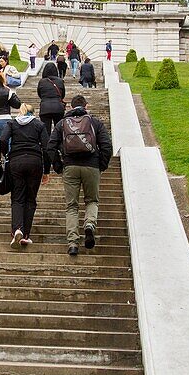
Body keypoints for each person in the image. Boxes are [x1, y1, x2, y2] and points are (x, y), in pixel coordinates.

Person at [48, 94, 112, 257]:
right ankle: (89, 225)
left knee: (72, 206)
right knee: (92, 200)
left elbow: (50, 146)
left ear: (70, 107)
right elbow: (106, 145)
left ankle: (73, 243)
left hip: (70, 166)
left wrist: (58, 166)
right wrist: (101, 164)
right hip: (91, 166)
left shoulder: (62, 123)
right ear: (86, 106)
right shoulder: (94, 122)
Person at [0, 103, 51, 246]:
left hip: (16, 161)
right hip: (35, 162)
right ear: (33, 112)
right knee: (30, 198)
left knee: (17, 197)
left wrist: (6, 154)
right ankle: (26, 234)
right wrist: (46, 170)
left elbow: (3, 139)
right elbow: (47, 148)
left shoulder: (12, 123)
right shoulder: (39, 125)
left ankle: (17, 229)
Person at [37, 60, 66, 136]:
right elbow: (62, 95)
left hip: (45, 107)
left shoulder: (42, 82)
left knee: (46, 131)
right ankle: (59, 146)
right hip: (58, 107)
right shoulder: (60, 81)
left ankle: (46, 146)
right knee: (59, 130)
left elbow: (39, 94)